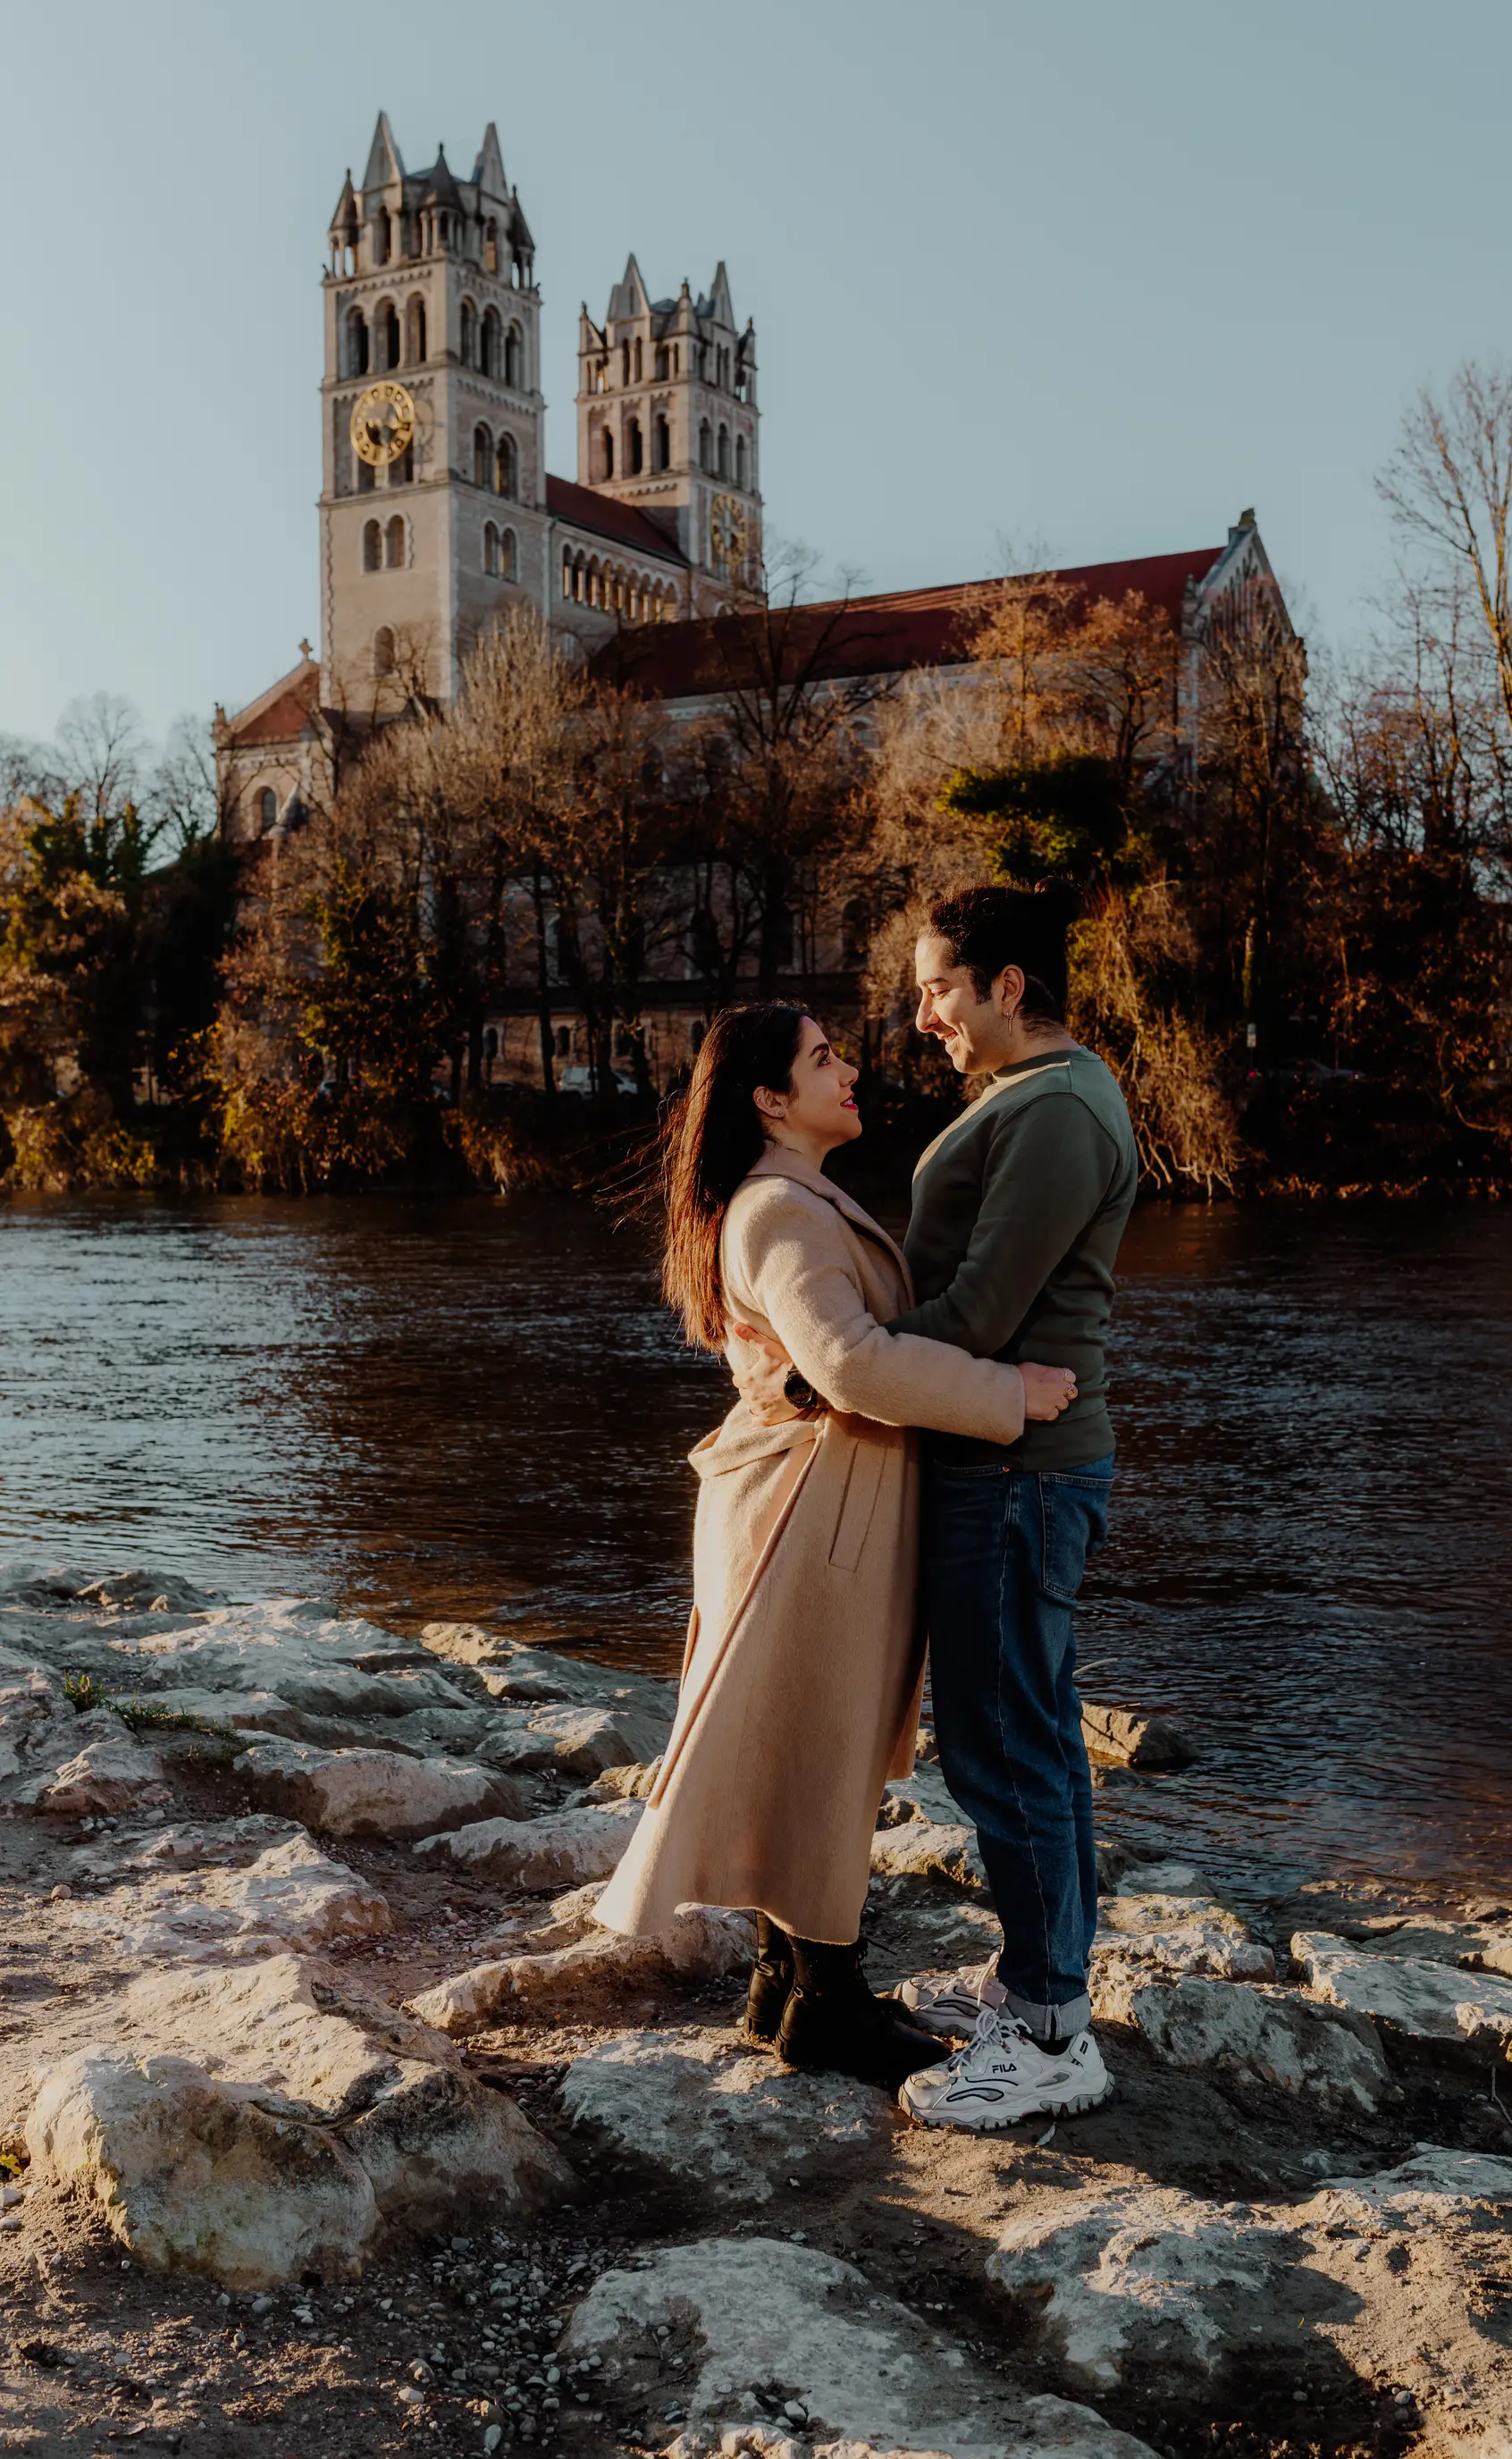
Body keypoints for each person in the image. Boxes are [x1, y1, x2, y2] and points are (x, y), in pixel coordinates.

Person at [594, 1000, 1079, 2093]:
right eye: (823, 1059)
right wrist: (1006, 1392)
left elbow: (835, 1357)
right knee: (817, 1744)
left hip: (812, 1498)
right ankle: (827, 2004)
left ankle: (788, 1987)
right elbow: (852, 1363)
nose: (848, 1069)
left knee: (797, 1738)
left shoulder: (789, 1198)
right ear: (769, 1099)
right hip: (808, 1509)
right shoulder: (778, 1209)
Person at [734, 887, 1138, 2130]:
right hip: (1002, 1461)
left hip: (1020, 1469)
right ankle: (1037, 1988)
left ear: (1010, 985)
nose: (922, 1018)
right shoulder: (1034, 1099)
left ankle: (1055, 2035)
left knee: (1004, 1743)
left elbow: (978, 1314)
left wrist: (826, 1361)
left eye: (941, 990)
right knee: (1031, 1729)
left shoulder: (1061, 1109)